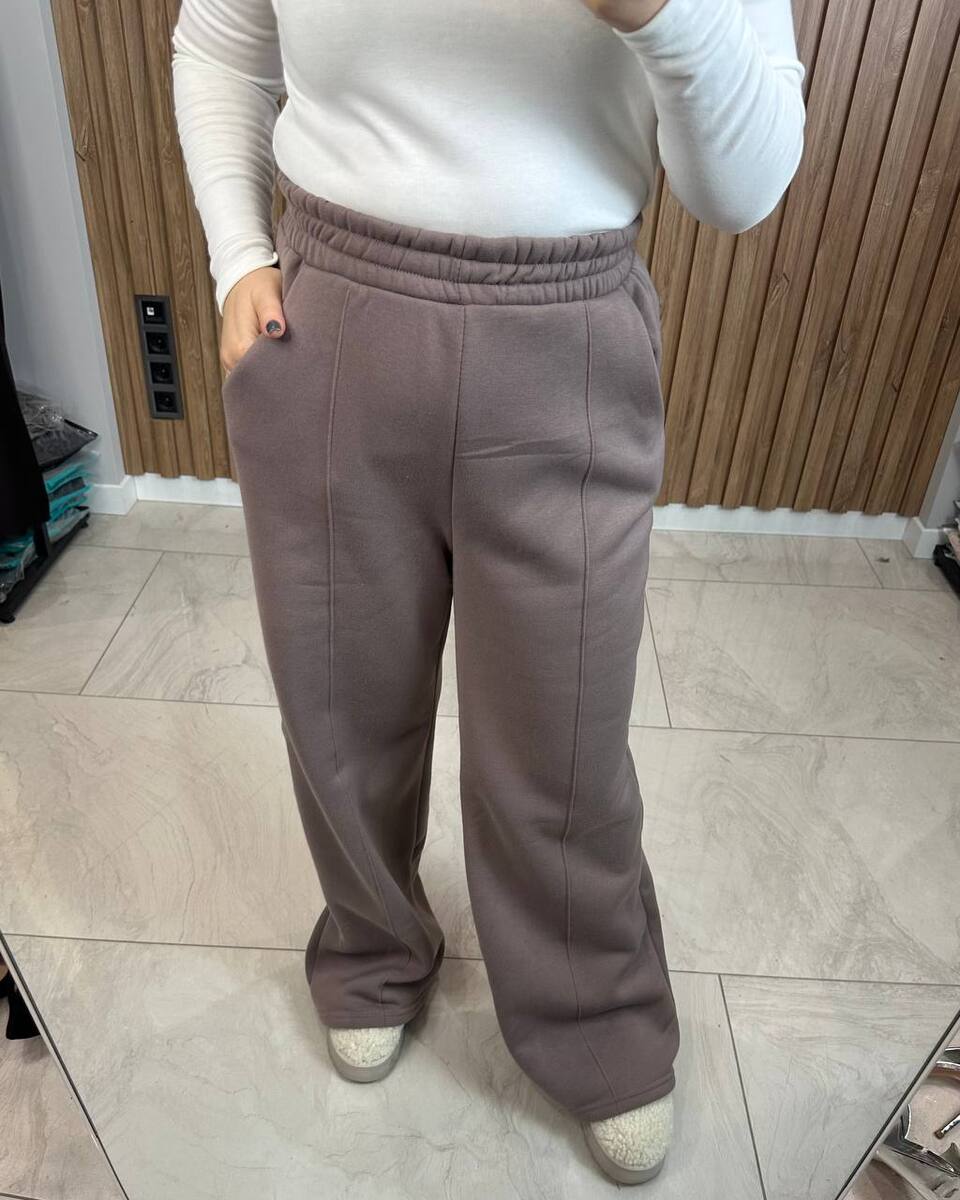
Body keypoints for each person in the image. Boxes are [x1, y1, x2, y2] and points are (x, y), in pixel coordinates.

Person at [171, 0, 805, 1184]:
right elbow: (219, 40)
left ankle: (596, 1019)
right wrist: (237, 255)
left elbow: (744, 187)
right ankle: (371, 949)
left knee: (561, 741)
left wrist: (658, 13)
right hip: (330, 319)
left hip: (565, 334)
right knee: (339, 706)